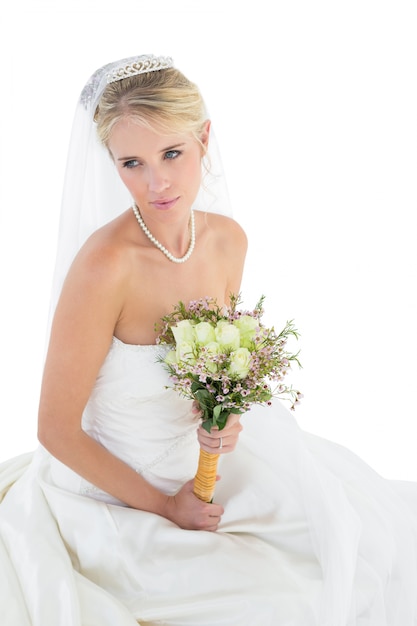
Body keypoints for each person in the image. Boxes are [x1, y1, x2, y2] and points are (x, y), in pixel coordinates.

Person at [0, 54, 416, 626]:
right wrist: (167, 507)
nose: (157, 182)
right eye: (132, 163)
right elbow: (54, 429)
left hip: (202, 466)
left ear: (204, 139)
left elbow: (210, 363)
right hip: (115, 489)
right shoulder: (103, 267)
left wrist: (222, 417)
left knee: (355, 546)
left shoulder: (226, 241)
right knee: (271, 604)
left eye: (171, 153)